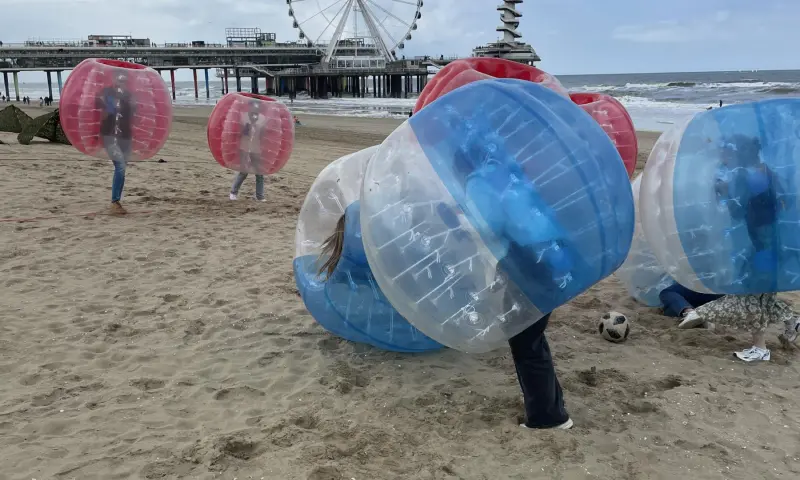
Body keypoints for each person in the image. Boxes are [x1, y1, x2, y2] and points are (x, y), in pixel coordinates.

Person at [692, 293, 800, 362]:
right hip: (765, 264)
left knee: (752, 299)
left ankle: (760, 349)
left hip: (761, 263)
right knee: (763, 298)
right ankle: (792, 322)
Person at [95, 72, 135, 214]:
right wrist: (108, 103)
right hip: (109, 135)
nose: (122, 80)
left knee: (123, 168)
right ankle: (114, 201)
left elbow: (132, 115)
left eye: (125, 78)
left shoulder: (129, 95)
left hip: (125, 136)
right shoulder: (107, 93)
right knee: (120, 165)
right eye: (119, 78)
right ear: (113, 79)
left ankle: (117, 202)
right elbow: (97, 103)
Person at [229, 100, 266, 202]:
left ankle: (259, 195)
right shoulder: (243, 116)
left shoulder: (262, 118)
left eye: (257, 106)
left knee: (259, 173)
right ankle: (233, 192)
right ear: (249, 107)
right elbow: (239, 132)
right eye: (253, 106)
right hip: (244, 147)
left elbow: (262, 135)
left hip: (256, 148)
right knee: (244, 171)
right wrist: (248, 126)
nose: (255, 108)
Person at [659, 282, 724, 328]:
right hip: (723, 293)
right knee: (669, 311)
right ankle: (702, 316)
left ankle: (690, 312)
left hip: (706, 286)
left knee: (666, 292)